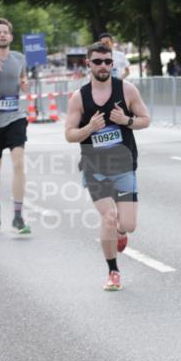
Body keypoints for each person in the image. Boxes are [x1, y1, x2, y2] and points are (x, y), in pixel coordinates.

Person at [64, 42, 150, 290]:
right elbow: (69, 134)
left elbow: (145, 120)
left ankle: (122, 234)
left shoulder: (127, 90)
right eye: (98, 61)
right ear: (88, 64)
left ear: (113, 64)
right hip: (95, 169)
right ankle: (113, 271)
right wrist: (90, 128)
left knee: (128, 224)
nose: (103, 66)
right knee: (109, 216)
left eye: (107, 61)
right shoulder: (79, 97)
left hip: (124, 168)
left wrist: (126, 120)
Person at [0, 18, 31, 234]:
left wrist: (24, 85)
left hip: (15, 118)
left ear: (10, 37)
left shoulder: (19, 58)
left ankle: (18, 215)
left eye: (6, 32)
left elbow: (22, 82)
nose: (2, 35)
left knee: (19, 163)